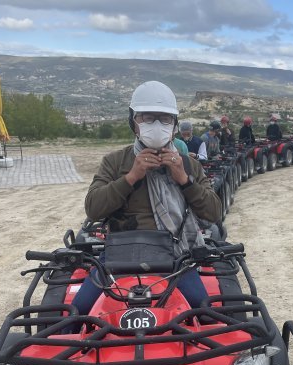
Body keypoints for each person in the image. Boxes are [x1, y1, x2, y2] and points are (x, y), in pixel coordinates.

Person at [75, 80, 222, 316]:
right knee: (78, 309)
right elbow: (93, 209)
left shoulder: (188, 166)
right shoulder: (115, 161)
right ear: (134, 123)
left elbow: (214, 212)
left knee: (203, 310)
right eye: (146, 117)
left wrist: (184, 180)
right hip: (120, 256)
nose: (156, 125)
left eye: (164, 119)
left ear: (174, 125)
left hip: (175, 257)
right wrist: (131, 177)